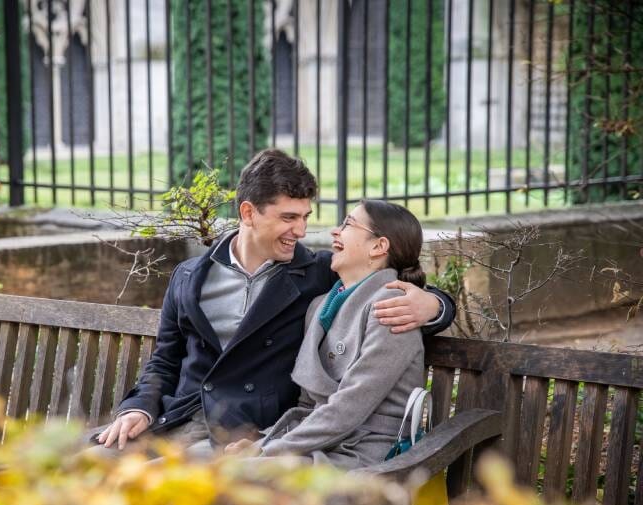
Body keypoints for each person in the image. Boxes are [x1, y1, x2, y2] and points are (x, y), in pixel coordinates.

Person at [87, 149, 454, 457]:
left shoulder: (318, 273)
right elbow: (165, 360)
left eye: (305, 217)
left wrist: (434, 306)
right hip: (180, 418)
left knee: (149, 486)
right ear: (249, 213)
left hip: (244, 430)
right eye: (288, 218)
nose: (302, 231)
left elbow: (388, 280)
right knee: (91, 463)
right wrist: (139, 407)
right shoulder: (189, 275)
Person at [225, 201, 427, 468]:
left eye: (348, 224)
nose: (335, 231)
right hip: (319, 445)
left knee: (229, 477)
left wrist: (267, 451)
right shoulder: (320, 306)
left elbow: (351, 406)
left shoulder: (393, 307)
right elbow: (308, 406)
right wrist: (263, 442)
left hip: (369, 456)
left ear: (378, 246)